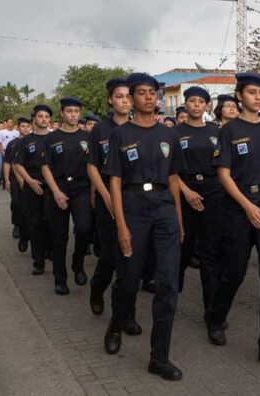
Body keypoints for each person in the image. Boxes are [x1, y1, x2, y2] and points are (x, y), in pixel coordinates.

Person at [103, 73, 185, 382]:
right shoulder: (121, 135)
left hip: (163, 205)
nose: (149, 97)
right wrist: (121, 225)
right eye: (142, 93)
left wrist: (178, 219)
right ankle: (116, 323)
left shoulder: (170, 135)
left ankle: (159, 357)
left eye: (153, 92)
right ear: (132, 98)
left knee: (167, 283)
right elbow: (115, 180)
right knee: (129, 279)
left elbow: (175, 177)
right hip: (133, 205)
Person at [204, 71, 260, 371]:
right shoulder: (229, 130)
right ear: (240, 96)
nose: (258, 97)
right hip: (239, 208)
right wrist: (247, 206)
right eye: (252, 92)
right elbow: (223, 175)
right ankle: (215, 316)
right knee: (234, 273)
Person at [86, 78, 142, 337]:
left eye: (127, 96)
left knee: (129, 261)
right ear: (110, 100)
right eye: (119, 96)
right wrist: (105, 195)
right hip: (108, 200)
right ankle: (97, 289)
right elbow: (93, 167)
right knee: (110, 257)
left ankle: (126, 314)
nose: (124, 101)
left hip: (133, 202)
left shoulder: (139, 128)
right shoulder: (100, 130)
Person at [175, 86, 225, 315]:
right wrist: (186, 191)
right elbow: (170, 171)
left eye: (200, 101)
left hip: (213, 194)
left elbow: (225, 166)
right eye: (192, 101)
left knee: (210, 253)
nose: (196, 105)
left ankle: (212, 310)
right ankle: (172, 294)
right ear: (186, 104)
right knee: (182, 250)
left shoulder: (217, 131)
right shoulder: (174, 133)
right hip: (185, 193)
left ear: (207, 106)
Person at [42, 97, 93, 295]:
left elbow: (92, 166)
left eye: (76, 111)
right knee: (59, 237)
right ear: (61, 113)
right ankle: (60, 279)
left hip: (81, 188)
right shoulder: (51, 138)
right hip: (59, 187)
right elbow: (45, 167)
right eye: (69, 111)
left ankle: (77, 263)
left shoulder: (87, 137)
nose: (73, 115)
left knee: (84, 228)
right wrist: (56, 192)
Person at [15, 105, 53, 275]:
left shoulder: (55, 138)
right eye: (40, 116)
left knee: (50, 222)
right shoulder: (26, 141)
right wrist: (30, 182)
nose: (43, 119)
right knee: (34, 223)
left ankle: (49, 251)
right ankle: (38, 261)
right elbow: (18, 164)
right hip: (33, 186)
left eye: (46, 116)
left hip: (52, 187)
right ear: (34, 120)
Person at [4, 117, 32, 253]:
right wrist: (6, 180)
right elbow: (7, 163)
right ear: (18, 128)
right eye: (23, 126)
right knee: (17, 204)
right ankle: (17, 225)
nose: (25, 129)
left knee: (31, 208)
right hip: (15, 179)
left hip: (32, 179)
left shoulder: (35, 142)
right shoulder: (12, 144)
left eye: (28, 126)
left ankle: (28, 234)